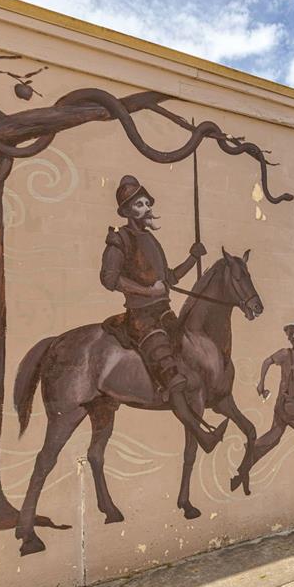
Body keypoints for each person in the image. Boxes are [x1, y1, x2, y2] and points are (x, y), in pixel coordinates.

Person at [100, 174, 226, 451]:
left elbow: (167, 279)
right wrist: (148, 292)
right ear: (126, 211)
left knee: (191, 357)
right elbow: (109, 279)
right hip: (141, 318)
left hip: (164, 314)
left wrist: (192, 259)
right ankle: (202, 436)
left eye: (147, 203)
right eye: (139, 205)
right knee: (174, 376)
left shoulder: (150, 240)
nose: (146, 209)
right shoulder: (119, 239)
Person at [252, 321, 294, 480]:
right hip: (286, 401)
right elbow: (267, 361)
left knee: (275, 435)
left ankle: (251, 450)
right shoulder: (284, 353)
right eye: (292, 333)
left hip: (290, 402)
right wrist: (262, 382)